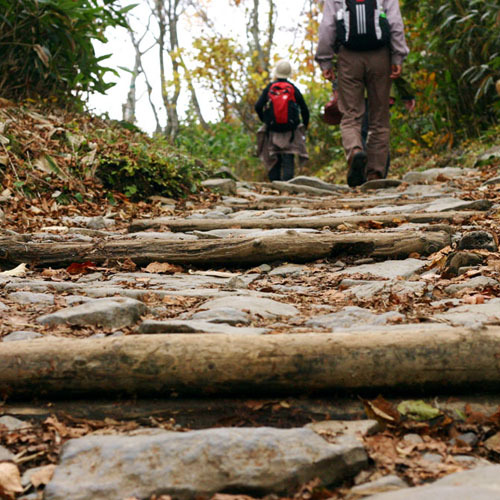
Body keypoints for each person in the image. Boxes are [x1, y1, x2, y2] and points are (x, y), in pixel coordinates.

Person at [315, 0, 409, 187]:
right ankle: (375, 174)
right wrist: (398, 55)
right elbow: (395, 23)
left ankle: (355, 151)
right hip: (380, 56)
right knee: (379, 118)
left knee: (351, 114)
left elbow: (327, 27)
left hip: (349, 57)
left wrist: (325, 60)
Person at [255, 60, 309, 182]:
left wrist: (265, 120)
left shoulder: (270, 88)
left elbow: (258, 106)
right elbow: (304, 109)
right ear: (290, 73)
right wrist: (304, 126)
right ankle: (288, 185)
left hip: (273, 129)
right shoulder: (292, 88)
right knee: (288, 155)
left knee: (274, 156)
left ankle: (275, 184)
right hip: (291, 130)